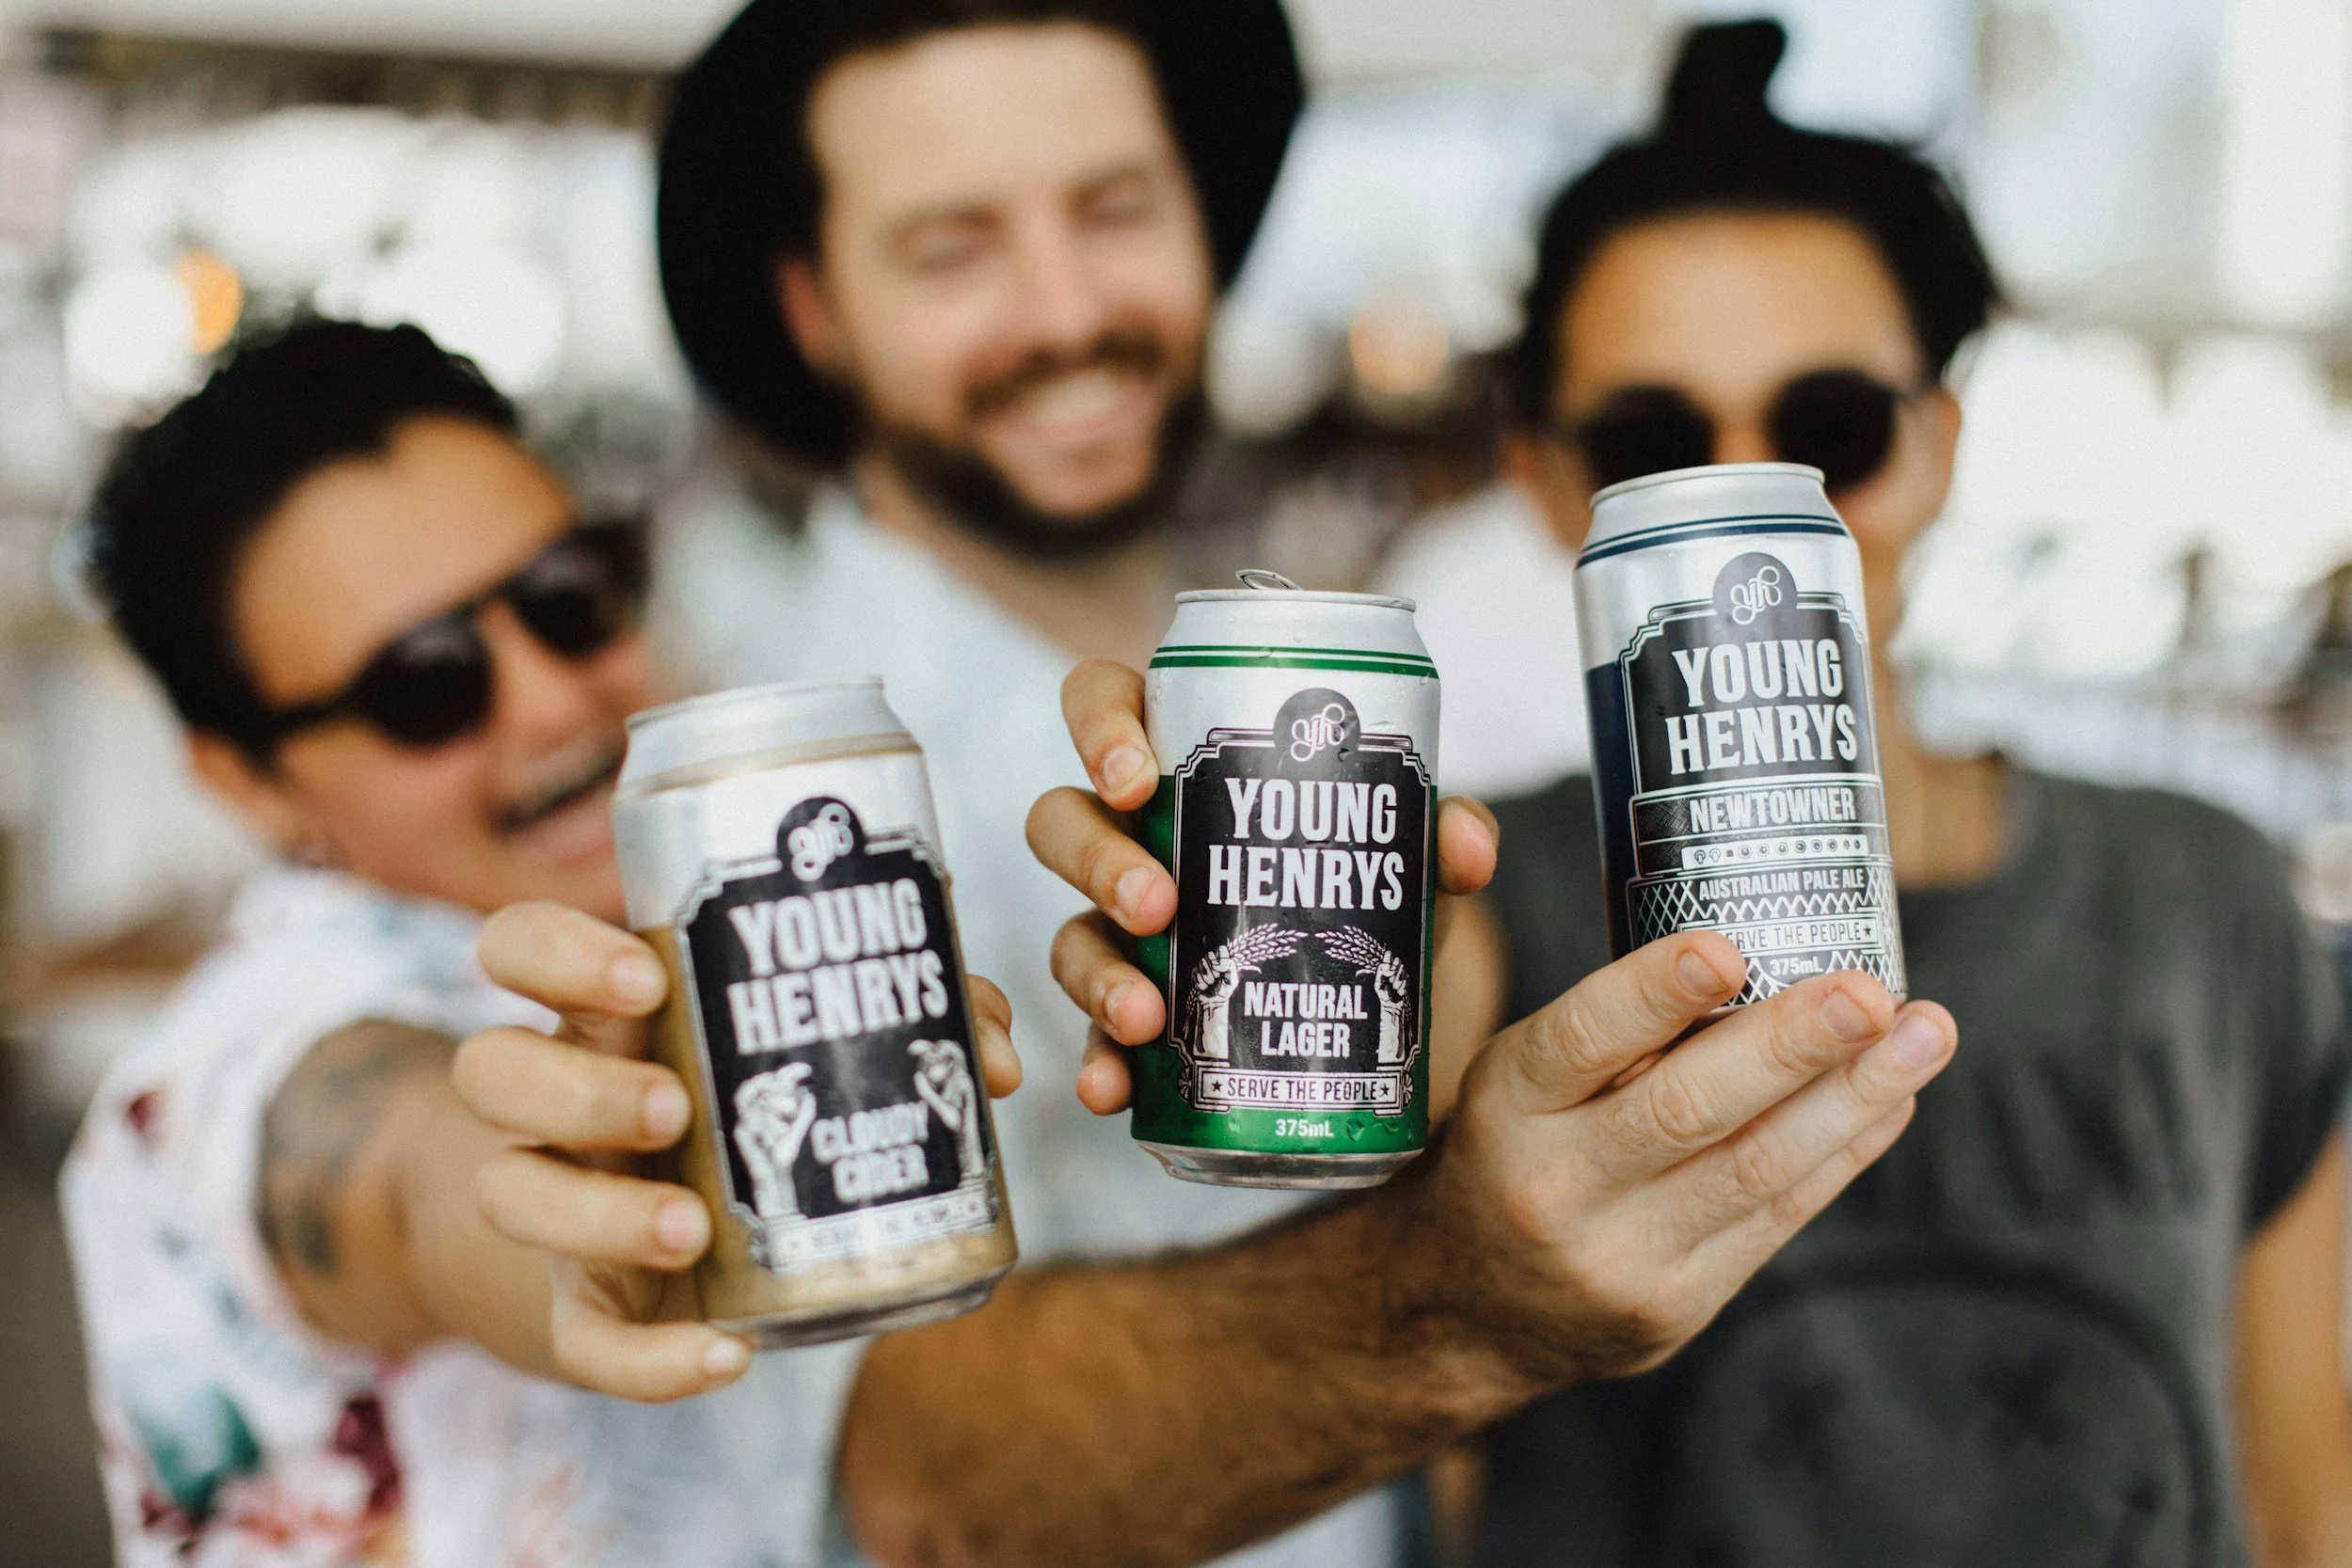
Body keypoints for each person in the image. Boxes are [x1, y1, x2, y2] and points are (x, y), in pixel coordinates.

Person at [1456, 23, 2352, 1564]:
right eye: (1652, 444)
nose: (1750, 498)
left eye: (1831, 428)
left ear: (1938, 442)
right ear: (1544, 482)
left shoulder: (2203, 892)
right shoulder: (1487, 897)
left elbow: (2304, 1487)